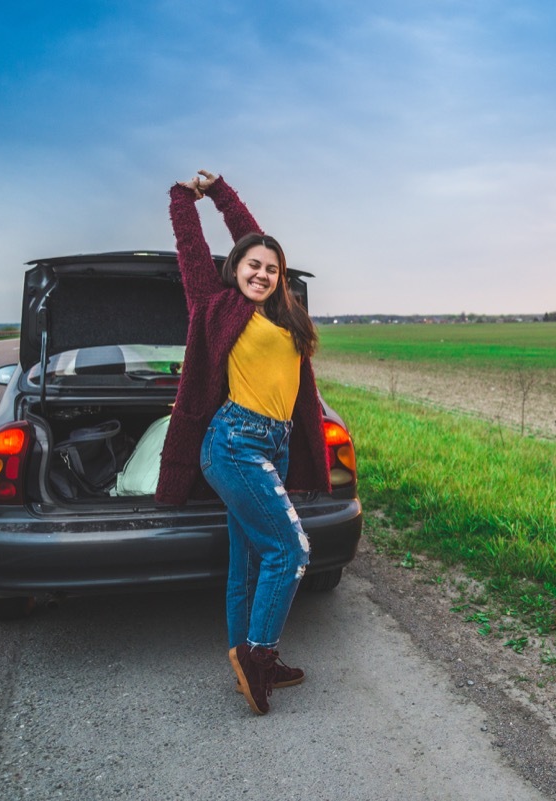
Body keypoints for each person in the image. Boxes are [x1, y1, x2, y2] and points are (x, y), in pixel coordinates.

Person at [155, 169, 331, 715]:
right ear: (235, 268)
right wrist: (193, 198)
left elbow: (258, 240)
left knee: (251, 563)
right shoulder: (216, 305)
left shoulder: (282, 316)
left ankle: (248, 661)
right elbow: (196, 247)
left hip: (273, 444)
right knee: (292, 550)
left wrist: (228, 197)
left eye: (272, 268)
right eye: (253, 264)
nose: (263, 273)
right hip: (234, 442)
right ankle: (260, 656)